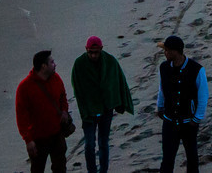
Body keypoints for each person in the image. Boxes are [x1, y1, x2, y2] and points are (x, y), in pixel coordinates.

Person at [72, 38, 133, 173]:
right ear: (86, 49)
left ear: (101, 49)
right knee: (89, 144)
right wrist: (85, 111)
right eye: (90, 52)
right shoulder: (79, 64)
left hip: (106, 109)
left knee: (103, 143)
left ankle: (103, 170)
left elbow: (119, 81)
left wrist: (120, 102)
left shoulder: (110, 61)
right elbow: (78, 90)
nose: (93, 55)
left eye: (96, 52)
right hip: (88, 111)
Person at [156, 36, 207, 173]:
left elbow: (203, 96)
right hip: (169, 121)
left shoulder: (197, 70)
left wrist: (196, 119)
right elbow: (162, 88)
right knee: (167, 159)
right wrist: (160, 106)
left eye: (166, 50)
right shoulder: (164, 67)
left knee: (192, 159)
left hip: (188, 122)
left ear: (175, 52)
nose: (164, 53)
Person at [15, 50, 71, 173]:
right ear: (43, 66)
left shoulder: (56, 78)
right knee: (37, 169)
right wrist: (28, 140)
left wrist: (64, 111)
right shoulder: (25, 87)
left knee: (60, 168)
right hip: (37, 138)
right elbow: (21, 116)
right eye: (52, 62)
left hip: (57, 133)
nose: (55, 64)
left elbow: (63, 97)